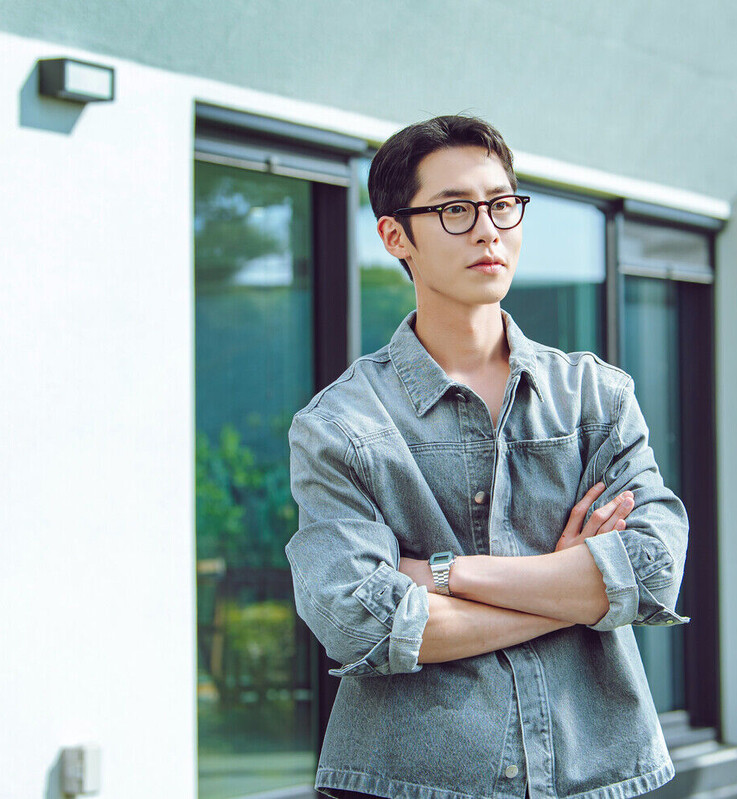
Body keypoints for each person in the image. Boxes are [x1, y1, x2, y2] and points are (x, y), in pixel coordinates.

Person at [285, 114, 689, 799]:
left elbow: (652, 569)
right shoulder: (341, 425)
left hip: (596, 775)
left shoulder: (595, 396)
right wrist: (572, 588)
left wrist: (443, 575)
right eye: (454, 210)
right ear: (395, 236)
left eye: (502, 204)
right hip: (411, 783)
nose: (487, 230)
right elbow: (361, 621)